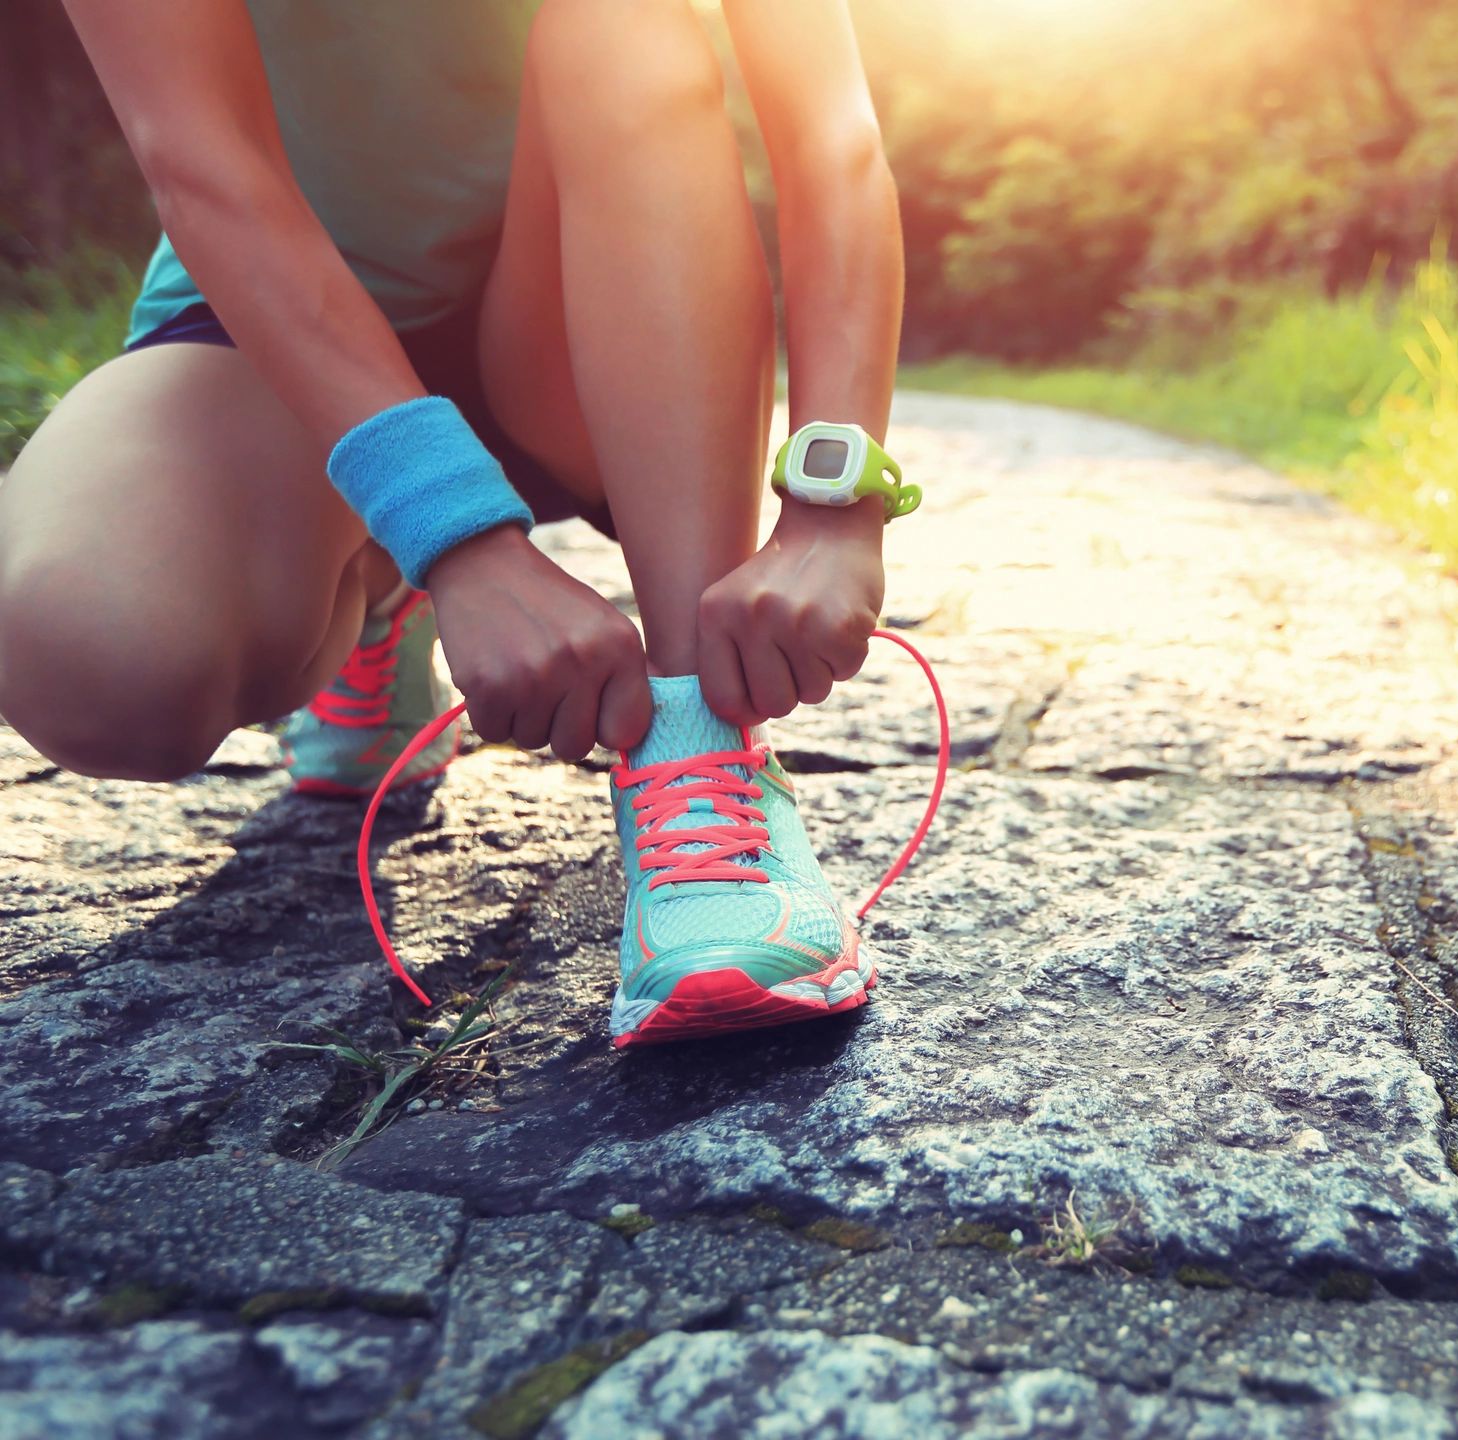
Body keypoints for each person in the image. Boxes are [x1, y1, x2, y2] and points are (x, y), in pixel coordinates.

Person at [0, 0, 909, 1046]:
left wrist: (835, 509)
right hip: (286, 338)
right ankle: (386, 576)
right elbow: (202, 158)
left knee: (622, 26)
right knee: (100, 656)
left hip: (583, 319)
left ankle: (700, 750)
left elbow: (829, 128)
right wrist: (456, 541)